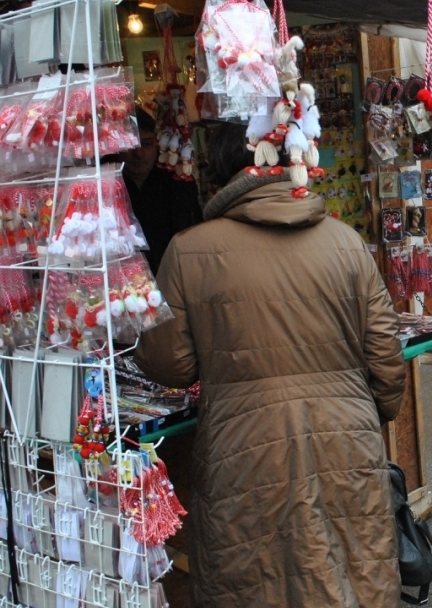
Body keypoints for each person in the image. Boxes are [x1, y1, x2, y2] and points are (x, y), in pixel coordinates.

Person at [133, 122, 406, 607]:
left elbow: (170, 363)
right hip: (345, 437)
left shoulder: (189, 250)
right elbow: (384, 354)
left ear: (219, 173)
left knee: (256, 580)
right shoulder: (344, 242)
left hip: (244, 449)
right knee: (353, 572)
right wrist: (369, 415)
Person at [122, 109, 202, 273]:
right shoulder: (111, 185)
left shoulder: (177, 182)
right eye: (131, 145)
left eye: (146, 143)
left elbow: (193, 236)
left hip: (175, 275)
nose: (139, 153)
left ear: (158, 143)